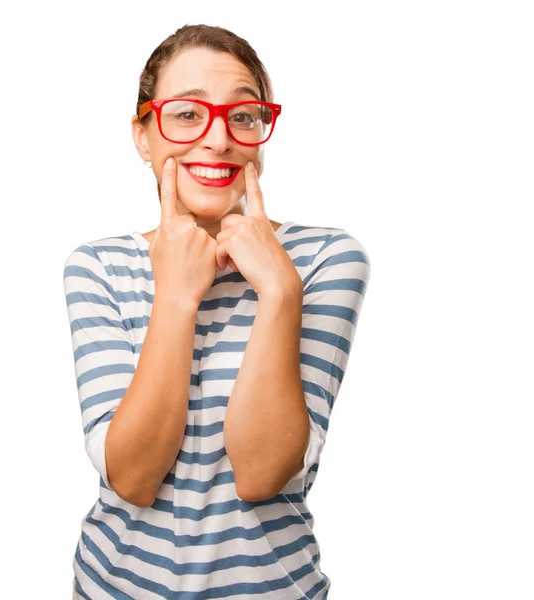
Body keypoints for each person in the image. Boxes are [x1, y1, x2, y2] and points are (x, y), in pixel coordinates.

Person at [63, 23, 370, 600]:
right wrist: (177, 296)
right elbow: (132, 478)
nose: (218, 138)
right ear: (143, 133)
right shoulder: (99, 266)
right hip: (114, 586)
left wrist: (280, 290)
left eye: (244, 115)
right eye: (186, 114)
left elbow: (261, 474)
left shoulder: (326, 258)